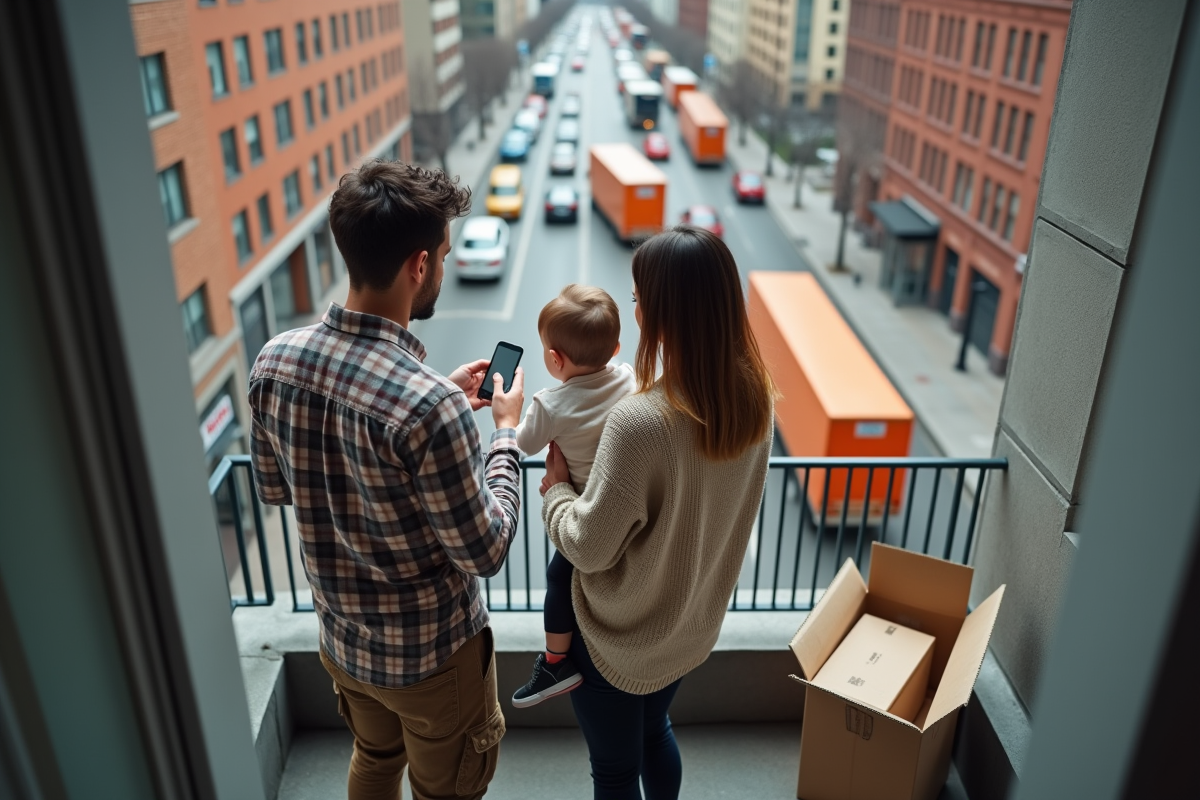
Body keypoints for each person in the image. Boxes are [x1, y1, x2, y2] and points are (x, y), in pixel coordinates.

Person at [247, 160, 525, 800]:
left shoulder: (273, 362)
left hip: (342, 643)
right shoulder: (429, 408)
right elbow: (485, 551)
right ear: (419, 265)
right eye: (445, 256)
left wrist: (436, 402)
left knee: (374, 760)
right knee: (444, 789)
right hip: (430, 663)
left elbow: (281, 488)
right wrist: (503, 435)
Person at [540, 227, 774, 800]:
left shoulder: (642, 422)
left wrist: (555, 492)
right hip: (689, 630)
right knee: (655, 733)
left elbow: (589, 547)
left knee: (615, 772)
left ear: (665, 311)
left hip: (619, 640)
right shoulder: (756, 397)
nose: (636, 310)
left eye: (641, 298)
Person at [509, 285, 637, 708]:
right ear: (616, 347)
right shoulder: (629, 377)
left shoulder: (552, 404)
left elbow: (523, 444)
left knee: (558, 578)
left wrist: (509, 413)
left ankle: (555, 661)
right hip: (626, 510)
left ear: (554, 359)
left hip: (585, 511)